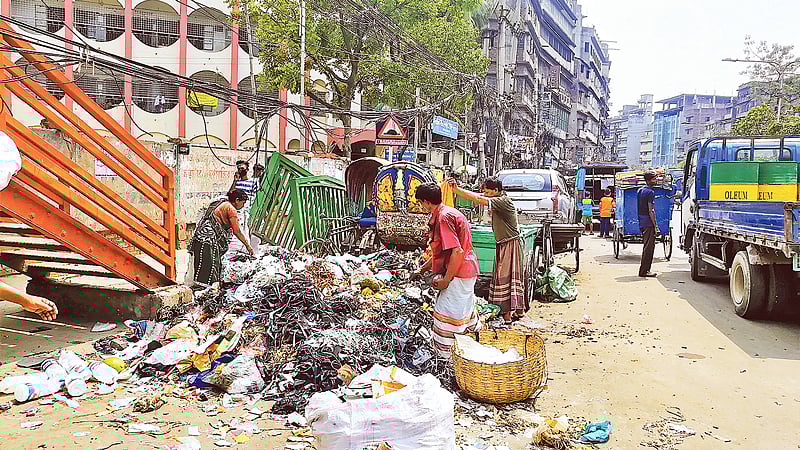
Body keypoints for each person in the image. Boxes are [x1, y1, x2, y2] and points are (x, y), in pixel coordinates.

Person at [413, 182, 481, 358]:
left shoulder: (443, 218)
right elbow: (440, 252)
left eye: (421, 203)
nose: (422, 207)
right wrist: (421, 269)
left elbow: (456, 251)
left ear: (427, 202)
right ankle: (467, 350)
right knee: (464, 313)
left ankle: (448, 358)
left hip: (458, 273)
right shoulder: (448, 212)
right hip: (466, 270)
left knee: (446, 315)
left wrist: (446, 280)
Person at [449, 176, 526, 324]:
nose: (486, 194)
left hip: (509, 243)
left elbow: (479, 200)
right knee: (507, 276)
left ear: (496, 191)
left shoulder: (502, 201)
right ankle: (518, 309)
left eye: (488, 192)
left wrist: (457, 190)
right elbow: (479, 196)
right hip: (503, 243)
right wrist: (457, 190)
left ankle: (508, 313)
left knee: (506, 277)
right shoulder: (498, 198)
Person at [187, 189, 254, 287]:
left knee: (205, 263)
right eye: (243, 203)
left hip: (203, 236)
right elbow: (237, 231)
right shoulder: (231, 209)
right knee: (211, 264)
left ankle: (202, 286)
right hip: (208, 238)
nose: (243, 206)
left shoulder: (222, 202)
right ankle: (207, 287)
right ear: (236, 200)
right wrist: (248, 246)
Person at [227, 161, 258, 257]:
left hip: (249, 210)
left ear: (247, 169)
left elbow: (257, 197)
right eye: (239, 168)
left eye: (243, 168)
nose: (241, 170)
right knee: (238, 230)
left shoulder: (253, 181)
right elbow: (230, 194)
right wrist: (235, 181)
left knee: (249, 231)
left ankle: (250, 250)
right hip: (238, 211)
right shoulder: (237, 182)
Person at [638, 170, 659, 278]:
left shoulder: (640, 190)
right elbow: (651, 210)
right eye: (654, 179)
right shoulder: (650, 192)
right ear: (649, 180)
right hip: (648, 222)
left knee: (647, 246)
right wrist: (655, 225)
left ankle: (644, 270)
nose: (656, 181)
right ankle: (645, 271)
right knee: (649, 248)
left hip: (642, 221)